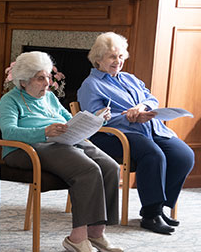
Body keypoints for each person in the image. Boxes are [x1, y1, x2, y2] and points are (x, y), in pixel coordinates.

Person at [0, 51, 122, 252]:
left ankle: (96, 232)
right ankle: (77, 238)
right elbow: (9, 132)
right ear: (24, 81)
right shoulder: (10, 101)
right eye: (40, 78)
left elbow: (70, 121)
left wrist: (95, 120)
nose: (47, 82)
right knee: (87, 169)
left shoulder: (51, 98)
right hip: (26, 148)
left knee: (110, 166)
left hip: (62, 142)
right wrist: (44, 132)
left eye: (48, 77)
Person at [77, 31, 193, 234]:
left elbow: (151, 99)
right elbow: (95, 119)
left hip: (148, 127)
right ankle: (150, 214)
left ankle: (161, 206)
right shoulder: (91, 85)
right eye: (113, 56)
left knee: (184, 155)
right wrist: (128, 117)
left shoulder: (130, 79)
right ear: (98, 58)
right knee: (152, 154)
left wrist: (142, 106)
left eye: (121, 56)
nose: (118, 61)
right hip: (115, 134)